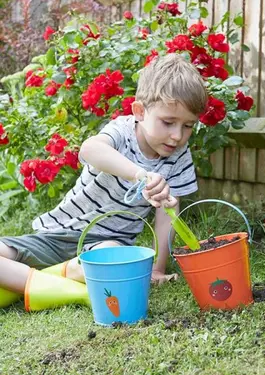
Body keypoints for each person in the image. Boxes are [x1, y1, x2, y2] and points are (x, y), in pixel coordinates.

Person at [0, 53, 208, 311]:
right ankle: (63, 283)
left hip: (108, 244)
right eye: (168, 122)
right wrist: (140, 175)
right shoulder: (122, 131)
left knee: (117, 265)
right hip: (59, 232)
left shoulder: (178, 158)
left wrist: (157, 268)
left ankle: (33, 280)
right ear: (140, 111)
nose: (177, 136)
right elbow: (89, 150)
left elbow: (168, 213)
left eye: (188, 126)